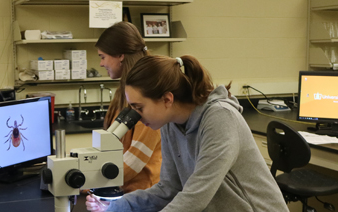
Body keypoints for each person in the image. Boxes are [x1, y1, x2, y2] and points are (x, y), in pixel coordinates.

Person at [86, 55, 289, 211]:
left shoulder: (220, 118)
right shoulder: (169, 124)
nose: (136, 116)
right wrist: (115, 207)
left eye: (139, 107)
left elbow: (195, 196)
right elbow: (169, 190)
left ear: (167, 99)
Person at [94, 21, 162, 194]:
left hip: (144, 194)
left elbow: (136, 158)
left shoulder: (148, 94)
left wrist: (93, 182)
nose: (101, 64)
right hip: (122, 188)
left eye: (103, 57)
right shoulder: (123, 93)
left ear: (120, 56)